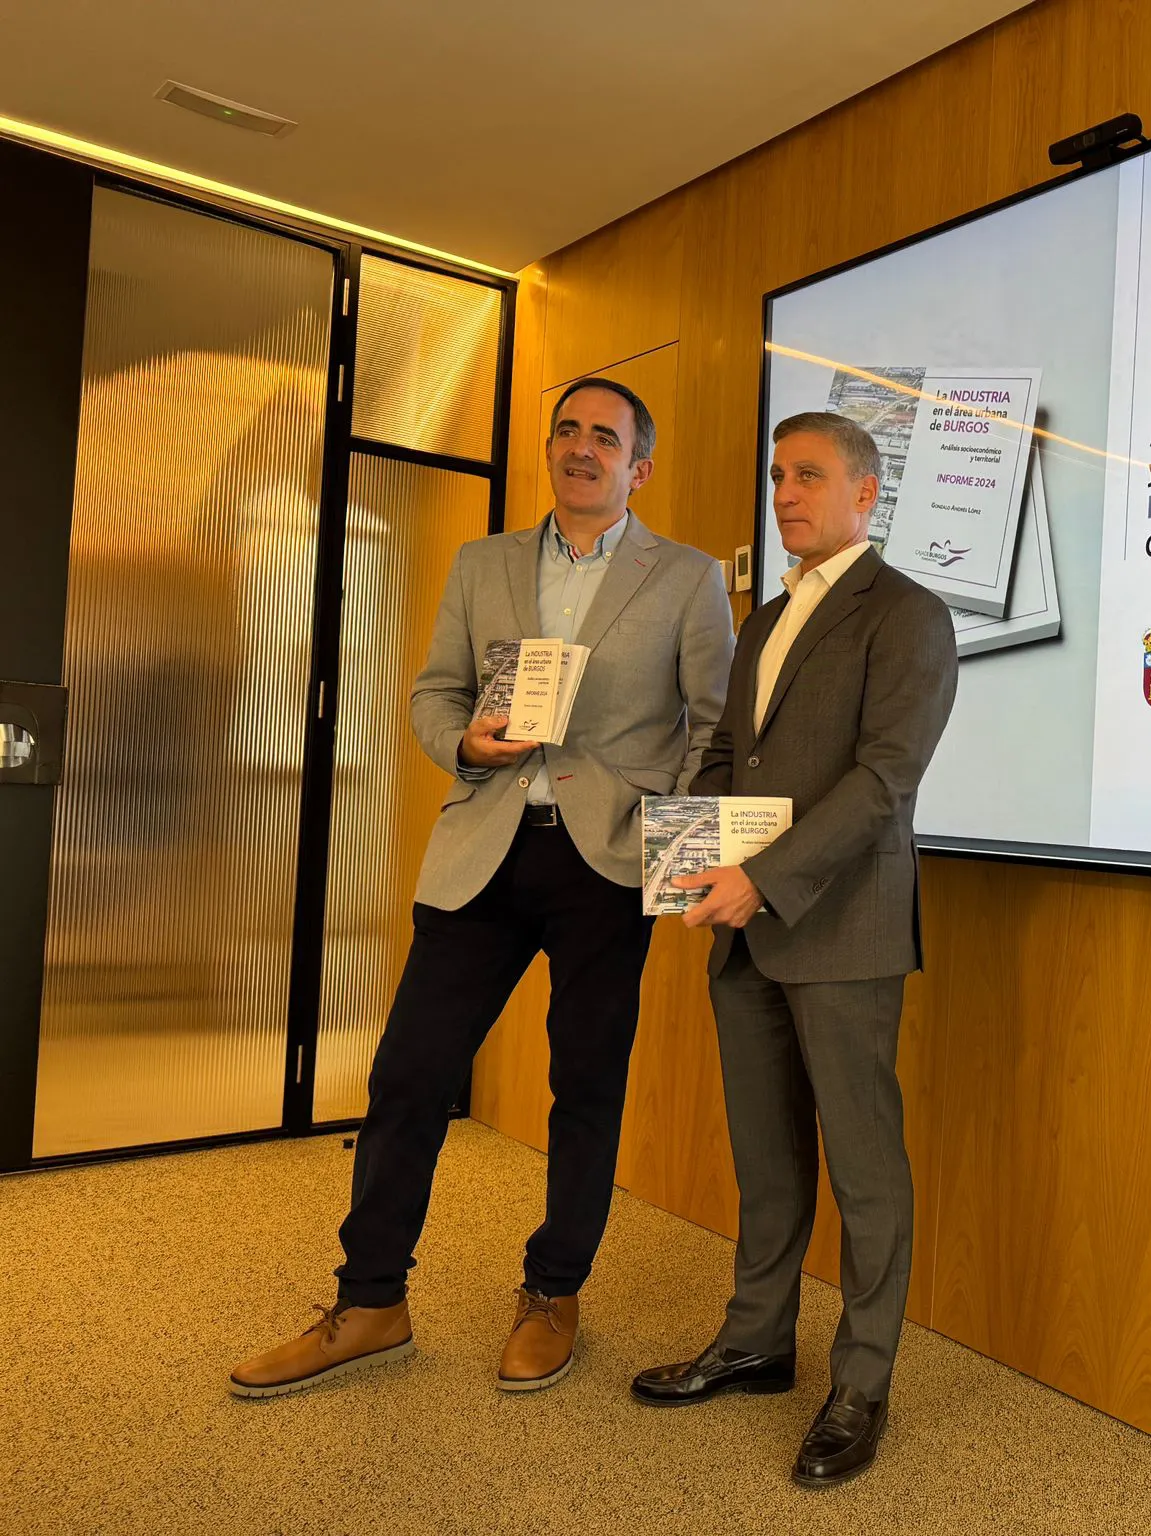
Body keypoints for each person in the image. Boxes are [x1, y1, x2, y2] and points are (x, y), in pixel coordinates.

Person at [229, 378, 735, 1397]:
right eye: (567, 430)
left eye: (605, 437)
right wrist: (463, 743)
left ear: (637, 467)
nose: (581, 447)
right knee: (410, 1074)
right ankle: (371, 1300)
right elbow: (434, 693)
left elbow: (715, 727)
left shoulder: (685, 577)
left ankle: (553, 1291)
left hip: (607, 861)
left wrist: (671, 853)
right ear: (550, 450)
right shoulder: (482, 562)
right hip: (484, 847)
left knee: (585, 1085)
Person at [629, 411, 958, 1488]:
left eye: (808, 476)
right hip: (739, 931)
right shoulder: (765, 618)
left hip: (843, 928)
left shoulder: (908, 615)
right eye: (777, 476)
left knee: (864, 1172)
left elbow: (884, 779)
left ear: (865, 494)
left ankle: (861, 1382)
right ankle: (757, 1342)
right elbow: (730, 751)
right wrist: (692, 853)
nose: (784, 495)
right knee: (766, 1158)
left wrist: (761, 877)